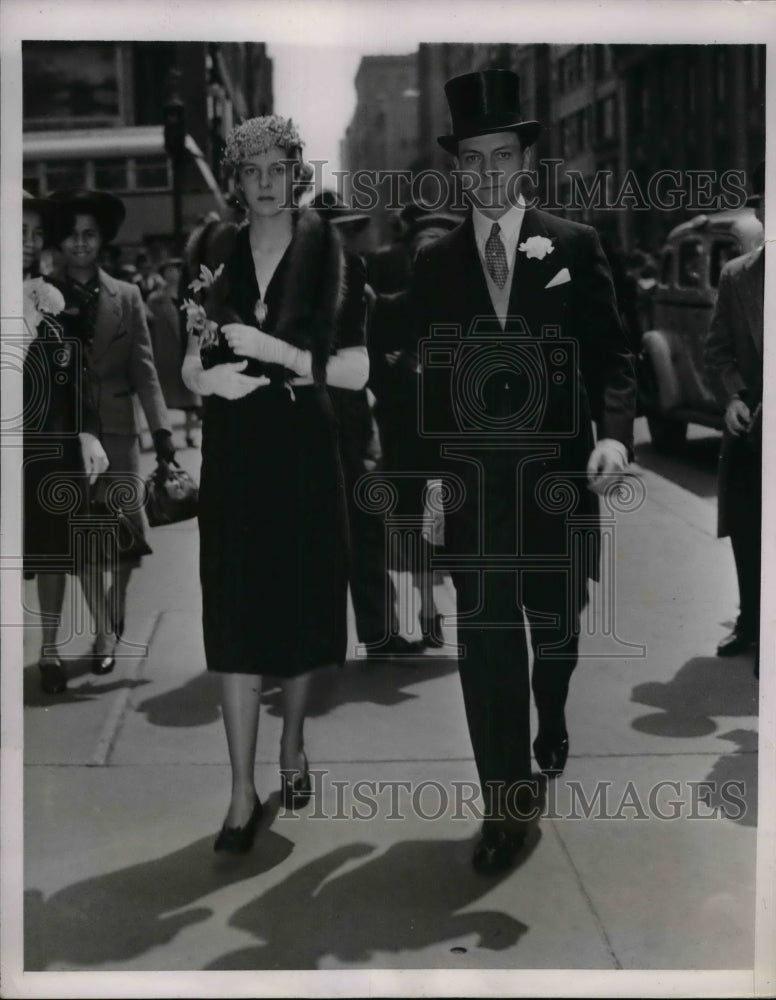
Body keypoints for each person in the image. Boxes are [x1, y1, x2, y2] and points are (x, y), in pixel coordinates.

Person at [410, 70, 636, 873]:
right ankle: (503, 802)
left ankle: (553, 709)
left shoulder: (573, 245)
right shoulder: (434, 265)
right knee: (488, 642)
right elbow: (423, 388)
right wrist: (424, 497)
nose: (489, 173)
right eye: (473, 160)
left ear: (524, 162)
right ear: (459, 170)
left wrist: (612, 437)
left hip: (559, 479)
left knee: (558, 629)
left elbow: (614, 357)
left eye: (502, 155)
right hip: (476, 490)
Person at [181, 116, 369, 853]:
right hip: (234, 451)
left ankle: (291, 742)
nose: (264, 182)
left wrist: (279, 351)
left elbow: (356, 369)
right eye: (250, 169)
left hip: (300, 445)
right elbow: (188, 352)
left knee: (296, 604)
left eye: (276, 167)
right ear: (235, 178)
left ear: (297, 173)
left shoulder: (329, 254)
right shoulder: (211, 255)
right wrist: (203, 378)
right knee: (232, 608)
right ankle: (239, 791)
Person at [45, 189, 175, 673]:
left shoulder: (128, 295)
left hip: (120, 436)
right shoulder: (40, 296)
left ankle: (112, 611)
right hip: (65, 438)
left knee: (126, 541)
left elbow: (145, 369)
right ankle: (103, 630)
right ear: (61, 241)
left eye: (90, 234)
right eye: (72, 235)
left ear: (102, 240)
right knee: (81, 539)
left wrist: (162, 431)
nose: (81, 243)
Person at [310, 190, 425, 659]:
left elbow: (381, 321)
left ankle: (377, 632)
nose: (349, 240)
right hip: (309, 420)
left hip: (353, 418)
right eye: (340, 232)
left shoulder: (357, 276)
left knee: (366, 527)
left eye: (351, 231)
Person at [22, 191, 110, 694]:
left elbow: (77, 375)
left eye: (36, 234)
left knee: (64, 549)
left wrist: (87, 429)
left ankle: (53, 648)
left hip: (50, 446)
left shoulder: (53, 299)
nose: (29, 244)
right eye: (21, 232)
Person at [368, 208, 461, 647]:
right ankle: (426, 605)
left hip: (451, 424)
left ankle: (445, 602)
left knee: (452, 514)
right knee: (412, 516)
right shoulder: (390, 293)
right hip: (405, 422)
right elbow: (370, 351)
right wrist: (397, 367)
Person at [703, 161, 764, 677]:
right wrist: (734, 397)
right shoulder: (738, 274)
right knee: (747, 530)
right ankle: (750, 620)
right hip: (750, 435)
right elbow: (718, 348)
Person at [147, 257, 201, 447]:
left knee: (191, 399)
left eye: (177, 270)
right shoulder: (155, 300)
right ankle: (162, 436)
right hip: (165, 353)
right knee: (161, 398)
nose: (174, 274)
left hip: (188, 350)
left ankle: (189, 434)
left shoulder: (191, 295)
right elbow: (148, 329)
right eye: (169, 270)